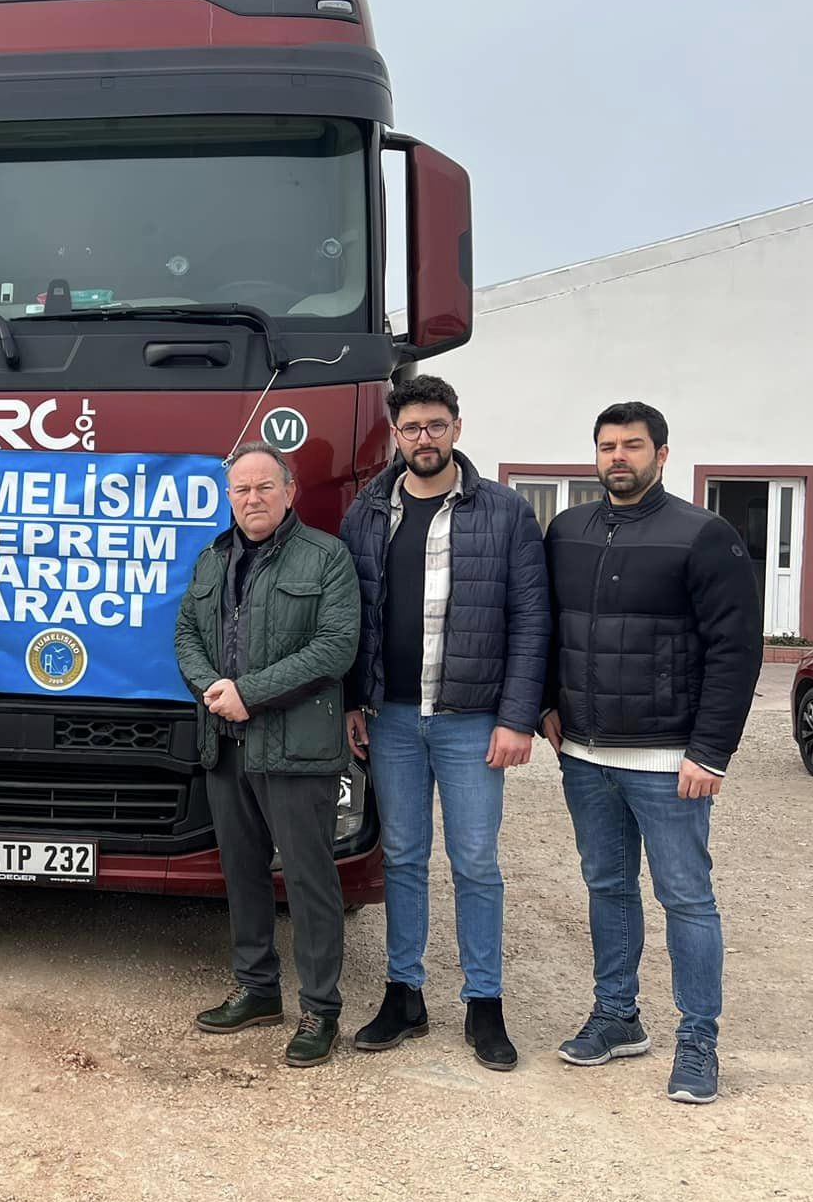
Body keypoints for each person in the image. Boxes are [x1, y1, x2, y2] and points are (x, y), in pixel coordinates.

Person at [541, 401, 760, 1104]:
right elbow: (545, 624)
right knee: (607, 887)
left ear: (661, 455)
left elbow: (735, 650)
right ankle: (617, 1016)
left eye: (632, 446)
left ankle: (698, 1040)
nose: (618, 458)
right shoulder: (567, 530)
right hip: (585, 754)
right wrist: (545, 702)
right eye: (607, 446)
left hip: (670, 760)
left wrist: (711, 751)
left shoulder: (705, 536)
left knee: (686, 899)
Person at [339, 374, 549, 1071]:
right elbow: (352, 616)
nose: (423, 438)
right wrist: (352, 700)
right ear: (395, 435)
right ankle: (405, 995)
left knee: (476, 862)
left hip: (471, 720)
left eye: (435, 425)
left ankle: (484, 1003)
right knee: (401, 856)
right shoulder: (369, 511)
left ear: (457, 427)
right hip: (392, 717)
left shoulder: (505, 512)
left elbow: (531, 620)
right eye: (411, 428)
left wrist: (517, 717)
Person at [175, 440, 361, 1068]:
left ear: (289, 491)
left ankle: (320, 1009)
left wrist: (248, 694)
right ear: (228, 497)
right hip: (225, 745)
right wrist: (212, 688)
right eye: (241, 489)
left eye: (263, 487)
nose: (251, 499)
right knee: (243, 872)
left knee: (309, 880)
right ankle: (257, 990)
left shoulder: (327, 557)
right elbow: (186, 633)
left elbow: (334, 648)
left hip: (295, 749)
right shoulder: (212, 558)